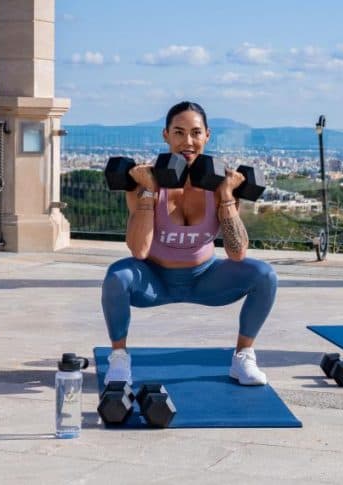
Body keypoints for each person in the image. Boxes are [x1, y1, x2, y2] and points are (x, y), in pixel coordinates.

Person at [100, 101, 279, 386]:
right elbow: (139, 250)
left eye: (196, 133)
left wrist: (226, 194)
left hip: (205, 279)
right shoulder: (143, 182)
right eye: (179, 132)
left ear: (207, 135)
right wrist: (150, 190)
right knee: (116, 277)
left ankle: (243, 357)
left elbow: (237, 253)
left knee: (264, 275)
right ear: (166, 135)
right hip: (154, 281)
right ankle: (119, 357)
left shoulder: (221, 183)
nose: (188, 141)